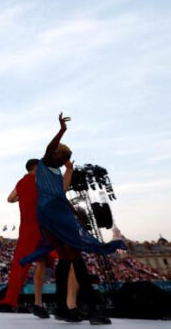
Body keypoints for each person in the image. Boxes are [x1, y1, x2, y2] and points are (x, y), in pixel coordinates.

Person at [21, 113, 126, 325]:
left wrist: (76, 213)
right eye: (63, 158)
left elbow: (61, 193)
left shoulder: (54, 171)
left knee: (65, 258)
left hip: (48, 214)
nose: (63, 161)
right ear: (57, 155)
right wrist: (62, 130)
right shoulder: (45, 162)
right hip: (54, 214)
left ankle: (63, 308)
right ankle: (93, 309)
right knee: (75, 259)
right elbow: (51, 149)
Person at [0, 158, 50, 318]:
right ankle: (38, 302)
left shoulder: (21, 183)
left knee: (20, 264)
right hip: (41, 227)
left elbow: (9, 199)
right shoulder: (41, 182)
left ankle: (10, 299)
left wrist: (22, 197)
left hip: (26, 228)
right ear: (34, 168)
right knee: (42, 263)